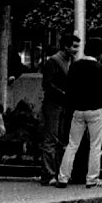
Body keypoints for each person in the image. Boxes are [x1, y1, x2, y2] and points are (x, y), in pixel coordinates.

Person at [57, 36, 102, 189]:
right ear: (99, 53)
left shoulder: (75, 66)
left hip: (78, 110)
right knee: (95, 146)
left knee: (72, 144)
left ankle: (63, 177)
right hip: (95, 110)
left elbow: (69, 89)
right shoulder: (100, 69)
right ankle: (92, 178)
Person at [40, 34, 79, 186]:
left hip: (64, 104)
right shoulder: (53, 61)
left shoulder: (71, 62)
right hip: (54, 104)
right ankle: (49, 173)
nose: (76, 50)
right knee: (51, 138)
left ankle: (56, 172)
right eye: (74, 46)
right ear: (66, 46)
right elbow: (47, 84)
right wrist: (63, 94)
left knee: (60, 138)